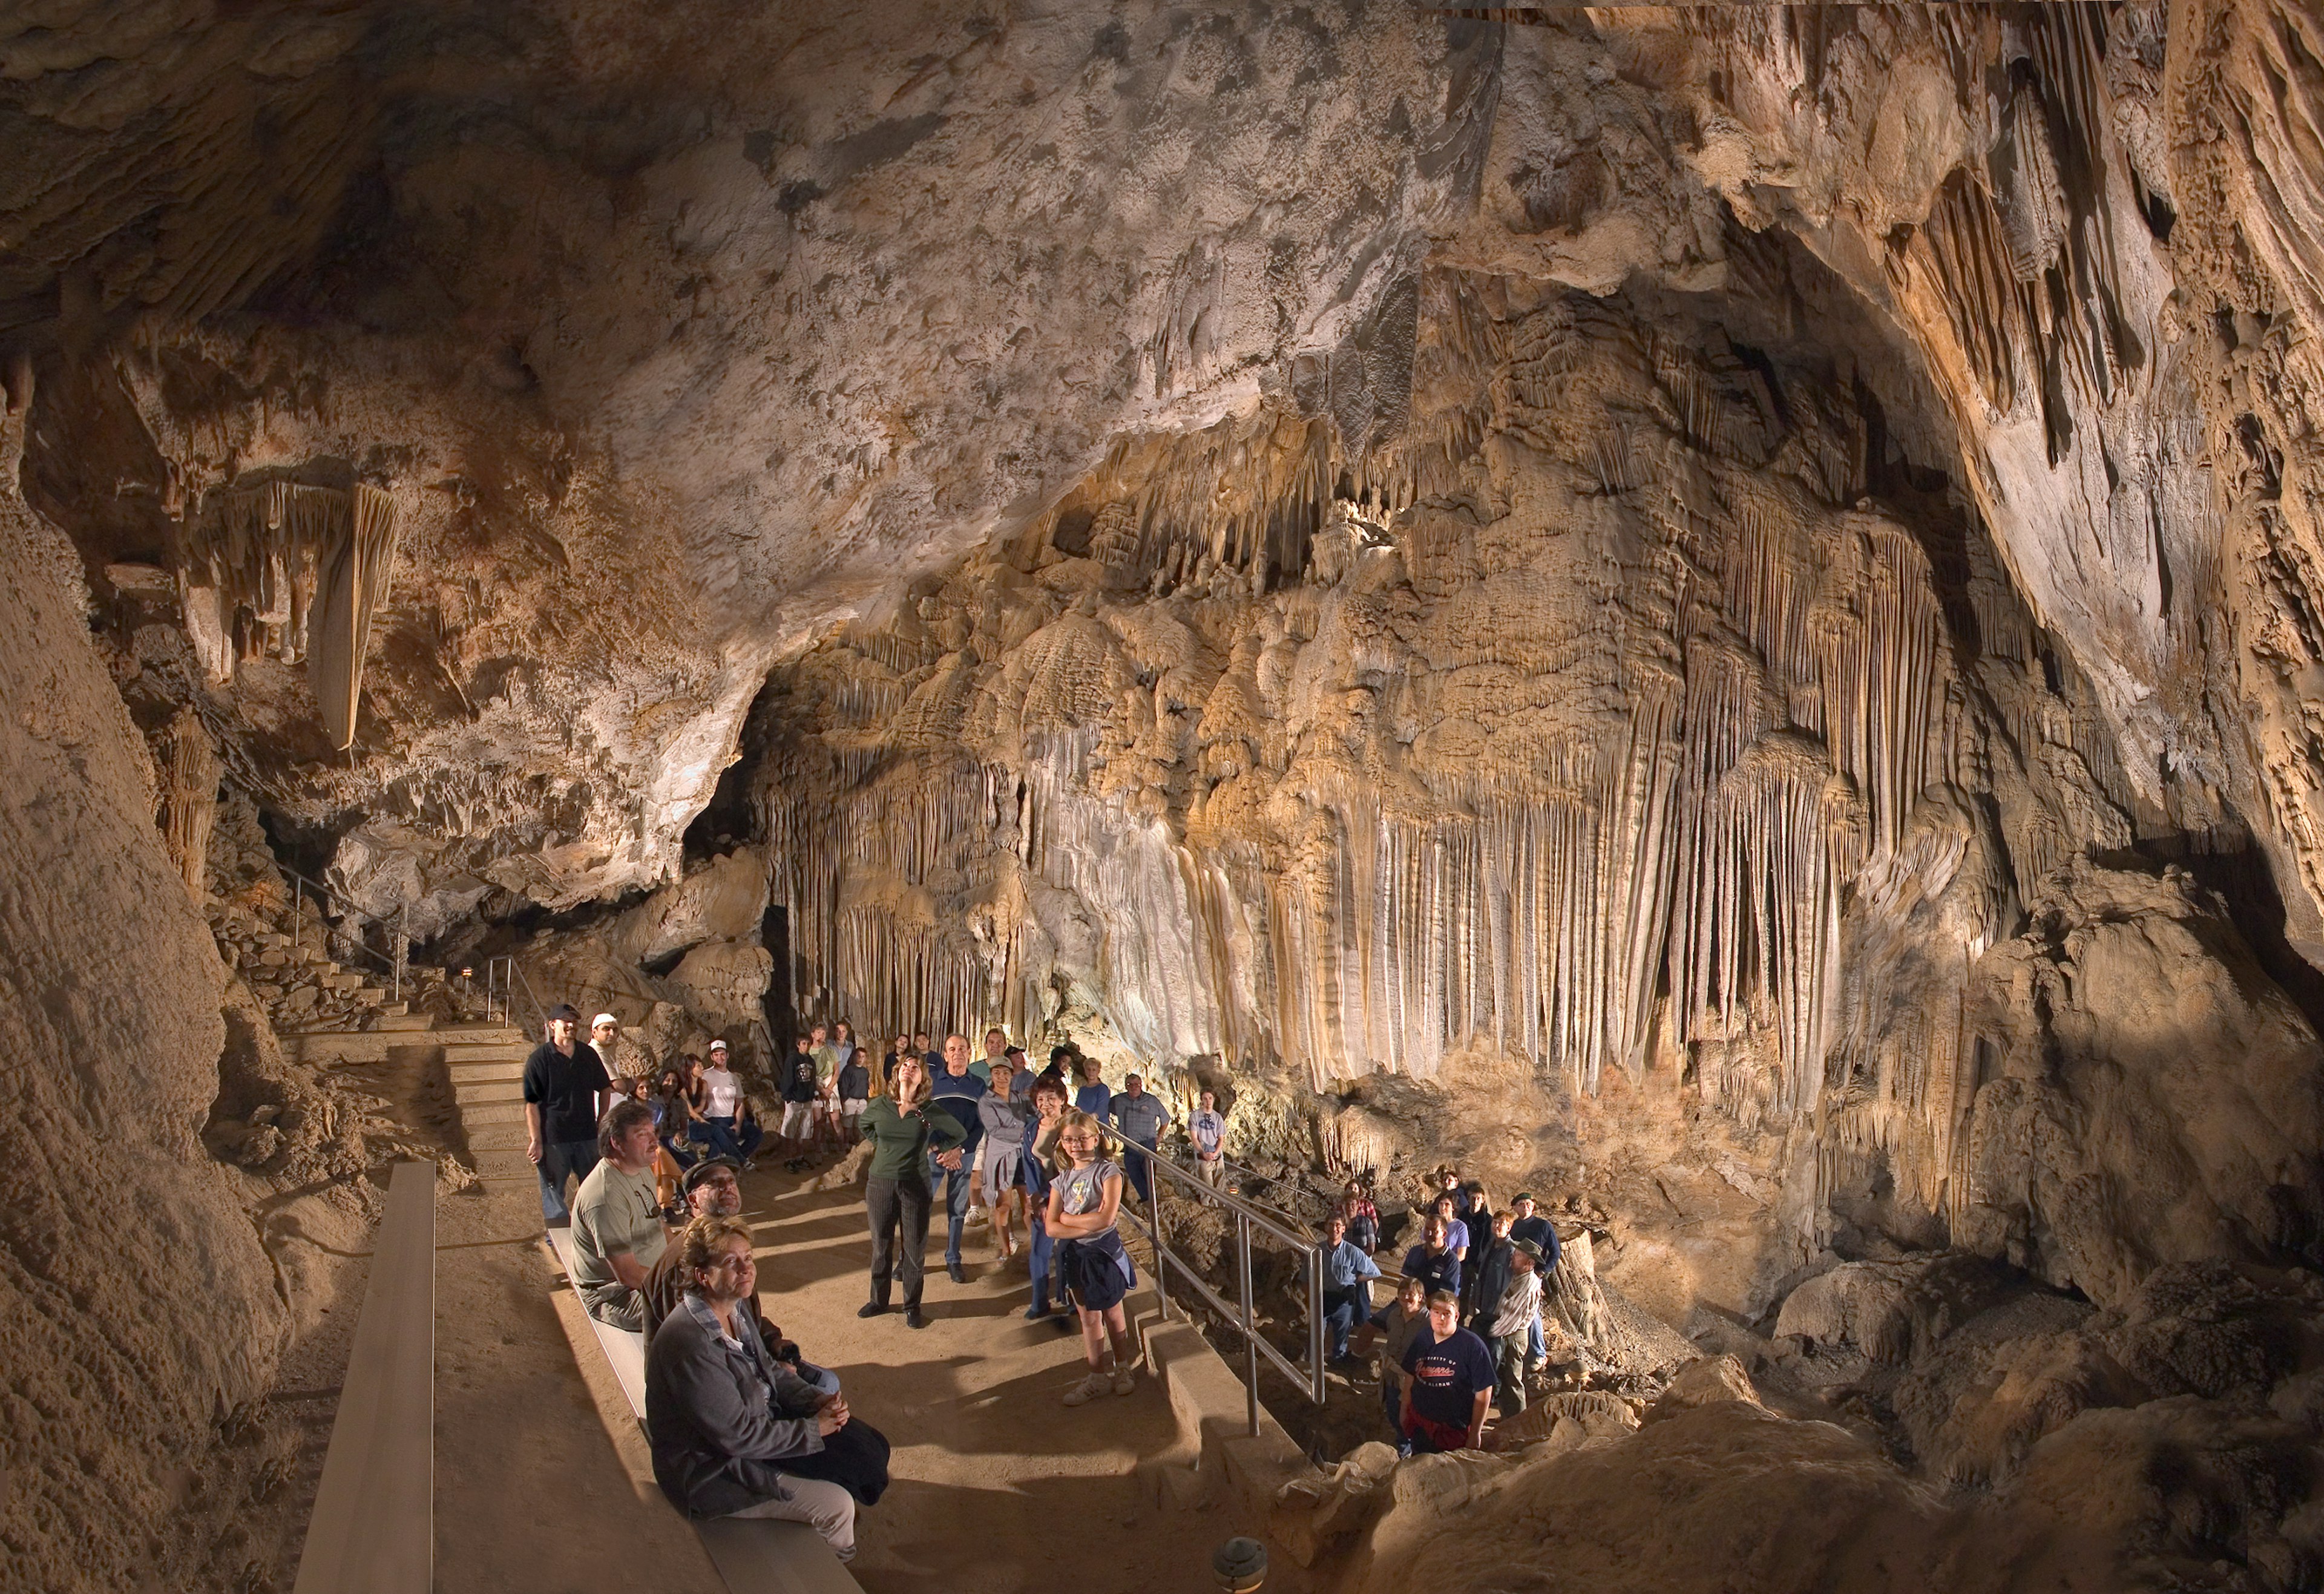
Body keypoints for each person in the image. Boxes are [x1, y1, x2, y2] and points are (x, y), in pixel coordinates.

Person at [646, 1216, 890, 1561]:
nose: (746, 1269)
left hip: (756, 1430)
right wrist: (813, 1430)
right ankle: (832, 1570)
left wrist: (814, 1399)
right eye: (731, 1262)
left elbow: (770, 1373)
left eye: (748, 1257)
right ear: (703, 1275)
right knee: (837, 1506)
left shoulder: (735, 1308)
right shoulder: (691, 1345)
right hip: (710, 1472)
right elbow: (737, 1437)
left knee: (870, 1446)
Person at [641, 1159, 839, 1397]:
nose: (727, 1187)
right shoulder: (688, 1260)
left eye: (731, 1181)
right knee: (827, 1388)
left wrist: (771, 1339)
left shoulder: (727, 1245)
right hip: (706, 1385)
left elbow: (739, 1315)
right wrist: (769, 1372)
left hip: (744, 1357)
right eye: (714, 1183)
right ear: (693, 1200)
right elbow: (698, 1349)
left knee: (828, 1381)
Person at [856, 1053, 966, 1328]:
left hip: (915, 1183)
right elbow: (865, 1125)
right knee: (881, 1246)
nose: (908, 1069)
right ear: (897, 1073)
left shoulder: (927, 1110)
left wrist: (937, 1148)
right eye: (904, 1065)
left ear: (922, 1079)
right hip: (881, 1182)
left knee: (914, 1248)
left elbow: (958, 1133)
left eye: (914, 1067)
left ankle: (912, 1306)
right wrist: (883, 1147)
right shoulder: (880, 1104)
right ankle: (878, 1301)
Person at [1045, 1109, 1138, 1404]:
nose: (1076, 1145)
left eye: (1082, 1139)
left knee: (1112, 1311)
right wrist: (1079, 1220)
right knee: (1088, 1317)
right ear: (1062, 1143)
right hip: (1076, 1255)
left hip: (1103, 1253)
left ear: (1096, 1139)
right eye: (1070, 1140)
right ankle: (1097, 1376)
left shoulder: (1108, 1172)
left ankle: (1122, 1367)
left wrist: (1067, 1219)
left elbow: (1107, 1219)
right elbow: (1050, 1227)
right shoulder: (1061, 1180)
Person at [570, 1100, 668, 1330]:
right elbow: (629, 1275)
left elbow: (659, 1224)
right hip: (616, 1294)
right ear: (617, 1143)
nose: (654, 1142)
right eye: (642, 1135)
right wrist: (682, 1284)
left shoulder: (641, 1168)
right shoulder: (606, 1196)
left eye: (653, 1132)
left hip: (654, 1274)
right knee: (694, 1313)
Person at [523, 1002, 611, 1226]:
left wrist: (602, 1121)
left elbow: (605, 1087)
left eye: (574, 1021)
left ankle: (590, 1229)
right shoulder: (539, 1059)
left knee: (593, 1187)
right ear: (553, 1025)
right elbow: (532, 1104)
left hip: (586, 1133)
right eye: (565, 1021)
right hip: (555, 1136)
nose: (571, 1025)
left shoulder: (587, 1055)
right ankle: (558, 1233)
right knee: (553, 1190)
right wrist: (536, 1140)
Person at [1399, 1288, 1495, 1455]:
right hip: (1421, 1423)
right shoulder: (1423, 1338)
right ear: (1430, 1313)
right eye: (1436, 1312)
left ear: (1456, 1316)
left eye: (1447, 1313)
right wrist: (1404, 1409)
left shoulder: (1473, 1346)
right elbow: (1410, 1375)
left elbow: (1484, 1390)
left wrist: (1476, 1433)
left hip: (1453, 1429)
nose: (1441, 1318)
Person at [927, 1034, 988, 1284]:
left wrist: (959, 1150)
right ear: (945, 1054)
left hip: (963, 1153)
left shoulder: (978, 1085)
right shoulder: (932, 1083)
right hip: (936, 1153)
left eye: (962, 1049)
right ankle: (910, 1258)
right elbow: (924, 1117)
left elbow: (981, 1123)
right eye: (952, 1049)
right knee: (921, 1206)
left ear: (969, 1052)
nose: (957, 1053)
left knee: (957, 1209)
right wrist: (938, 1147)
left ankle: (953, 1258)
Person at [1019, 1075, 1071, 1321]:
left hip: (1070, 1197)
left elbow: (1076, 1165)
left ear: (1062, 1099)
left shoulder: (1071, 1127)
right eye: (1041, 1099)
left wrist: (1054, 1198)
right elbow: (1029, 1166)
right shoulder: (1031, 1130)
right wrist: (1035, 1197)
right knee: (1039, 1252)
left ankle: (1070, 1298)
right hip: (1043, 1198)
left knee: (1067, 1251)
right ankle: (1039, 1302)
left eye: (1051, 1098)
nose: (1046, 1104)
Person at [1368, 1275, 1430, 1455]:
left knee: (1412, 1418)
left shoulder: (1428, 1322)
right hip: (1392, 1375)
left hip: (1415, 1380)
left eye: (1411, 1294)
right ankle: (1403, 1447)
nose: (1406, 1298)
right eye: (1402, 1293)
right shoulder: (1394, 1315)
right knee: (1394, 1415)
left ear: (1421, 1297)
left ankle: (1413, 1450)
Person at [976, 1055, 1028, 1260]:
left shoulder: (1019, 1098)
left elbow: (1038, 1111)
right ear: (991, 1076)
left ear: (1011, 1075)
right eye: (997, 1073)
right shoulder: (986, 1102)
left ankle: (1038, 1247)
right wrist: (1025, 1133)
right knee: (1004, 1204)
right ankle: (1006, 1249)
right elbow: (995, 1130)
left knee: (1029, 1202)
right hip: (1001, 1156)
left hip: (1021, 1154)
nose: (1002, 1077)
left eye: (1005, 1073)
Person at [1487, 1239, 1544, 1417]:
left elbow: (1512, 1318)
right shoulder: (1519, 1277)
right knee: (1506, 1377)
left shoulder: (1528, 1285)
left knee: (1512, 1380)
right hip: (1506, 1332)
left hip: (1512, 1335)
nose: (1513, 1256)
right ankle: (1507, 1418)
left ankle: (1517, 1422)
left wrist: (1488, 1334)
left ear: (1530, 1263)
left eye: (1519, 1255)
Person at [1318, 1214, 1382, 1363]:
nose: (1335, 1228)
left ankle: (1338, 1365)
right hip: (1322, 1298)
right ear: (1326, 1227)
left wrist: (1355, 1279)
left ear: (1344, 1229)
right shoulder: (1317, 1251)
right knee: (1316, 1336)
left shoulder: (1353, 1252)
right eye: (1331, 1225)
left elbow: (1374, 1272)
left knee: (1341, 1337)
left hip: (1344, 1301)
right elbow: (1305, 1277)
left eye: (1338, 1225)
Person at [1508, 1193, 1560, 1367]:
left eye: (1529, 1204)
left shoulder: (1543, 1226)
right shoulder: (1513, 1226)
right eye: (1521, 1204)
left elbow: (1555, 1252)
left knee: (1532, 1311)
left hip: (1533, 1275)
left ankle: (1539, 1353)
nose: (1526, 1207)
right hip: (1513, 1275)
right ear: (1515, 1208)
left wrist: (1542, 1272)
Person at [1105, 1072, 1170, 1204]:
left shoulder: (1151, 1101)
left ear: (1141, 1085)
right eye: (1130, 1084)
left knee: (1149, 1174)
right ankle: (1148, 1199)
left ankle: (1150, 1200)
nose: (1134, 1087)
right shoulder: (1118, 1101)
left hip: (1148, 1143)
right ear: (1126, 1086)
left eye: (1136, 1084)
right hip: (1130, 1143)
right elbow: (1104, 1109)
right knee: (1133, 1172)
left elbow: (1166, 1119)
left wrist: (1160, 1136)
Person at [701, 1040, 763, 1167]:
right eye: (716, 1055)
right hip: (714, 1119)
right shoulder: (705, 1076)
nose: (720, 1058)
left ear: (727, 1055)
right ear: (712, 1057)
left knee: (756, 1135)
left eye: (722, 1054)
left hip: (730, 1118)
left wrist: (738, 1124)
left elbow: (739, 1103)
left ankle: (732, 1162)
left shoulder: (734, 1078)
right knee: (728, 1136)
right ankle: (739, 1161)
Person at [1464, 1209, 1516, 1333]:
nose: (1497, 1226)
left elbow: (1512, 1277)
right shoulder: (1491, 1244)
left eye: (1501, 1223)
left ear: (1508, 1228)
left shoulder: (1511, 1249)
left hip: (1498, 1299)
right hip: (1484, 1294)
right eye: (1495, 1222)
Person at [1402, 1216, 1461, 1300]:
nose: (1429, 1234)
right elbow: (1404, 1280)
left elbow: (1447, 1294)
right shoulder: (1414, 1252)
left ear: (1444, 1234)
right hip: (1410, 1302)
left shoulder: (1451, 1260)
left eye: (1434, 1231)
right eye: (1427, 1229)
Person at [780, 1035, 819, 1150]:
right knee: (790, 1132)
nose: (806, 1047)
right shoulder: (792, 1059)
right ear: (798, 1045)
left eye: (808, 1044)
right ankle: (789, 1159)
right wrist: (788, 1097)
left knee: (804, 1132)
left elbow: (812, 1079)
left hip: (807, 1100)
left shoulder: (811, 1061)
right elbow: (788, 1078)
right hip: (794, 1100)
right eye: (803, 1044)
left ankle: (799, 1157)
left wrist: (812, 1094)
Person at [1189, 1089, 1227, 1188]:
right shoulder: (1195, 1116)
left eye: (1210, 1098)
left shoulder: (1218, 1118)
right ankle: (1207, 1203)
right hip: (1203, 1154)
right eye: (1205, 1099)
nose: (1208, 1101)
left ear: (1214, 1100)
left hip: (1217, 1155)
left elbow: (1221, 1138)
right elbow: (1194, 1137)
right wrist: (1203, 1153)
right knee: (1207, 1187)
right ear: (1202, 1100)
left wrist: (1215, 1153)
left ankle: (1219, 1203)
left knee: (1219, 1186)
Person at [836, 1047, 871, 1145]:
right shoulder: (849, 1070)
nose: (860, 1059)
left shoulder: (865, 1071)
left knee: (858, 1124)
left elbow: (866, 1085)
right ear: (854, 1057)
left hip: (862, 1101)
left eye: (863, 1057)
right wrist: (845, 1099)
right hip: (851, 1100)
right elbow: (844, 1085)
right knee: (848, 1124)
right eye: (859, 1056)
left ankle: (857, 1143)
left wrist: (866, 1099)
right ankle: (845, 1144)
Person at [1339, 1180, 1380, 1253]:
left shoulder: (1367, 1205)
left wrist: (1370, 1235)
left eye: (1355, 1188)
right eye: (1351, 1188)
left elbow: (1375, 1224)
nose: (1353, 1190)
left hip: (1362, 1231)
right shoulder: (1340, 1205)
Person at [1431, 1192, 1471, 1265]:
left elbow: (1461, 1255)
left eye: (1447, 1205)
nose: (1443, 1208)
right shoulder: (1431, 1223)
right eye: (1441, 1204)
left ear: (1453, 1207)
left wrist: (1446, 1263)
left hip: (1449, 1268)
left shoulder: (1461, 1227)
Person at [1073, 1055, 1111, 1121]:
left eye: (1094, 1070)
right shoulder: (1082, 1090)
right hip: (1083, 1123)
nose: (1091, 1072)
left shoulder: (1102, 1089)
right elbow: (1078, 1106)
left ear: (1098, 1071)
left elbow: (1102, 1107)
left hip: (1098, 1125)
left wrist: (1094, 1115)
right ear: (1085, 1070)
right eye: (1088, 1069)